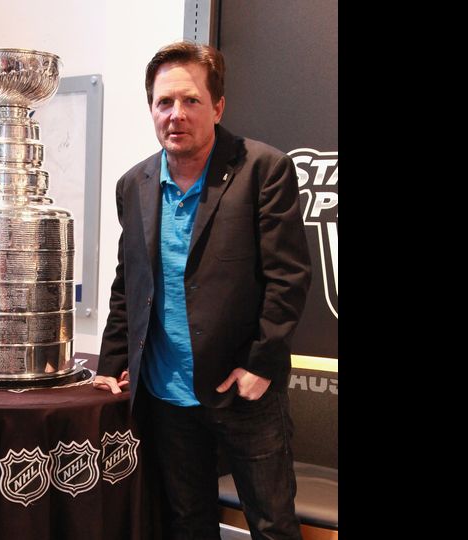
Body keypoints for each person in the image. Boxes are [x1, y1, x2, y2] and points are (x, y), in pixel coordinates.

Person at [92, 41, 312, 540]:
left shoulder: (263, 169)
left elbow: (289, 276)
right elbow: (129, 284)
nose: (176, 114)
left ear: (217, 106)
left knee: (272, 524)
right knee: (186, 523)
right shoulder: (134, 184)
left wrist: (260, 365)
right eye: (164, 102)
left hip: (243, 391)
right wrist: (112, 362)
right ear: (151, 108)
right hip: (166, 395)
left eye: (191, 101)